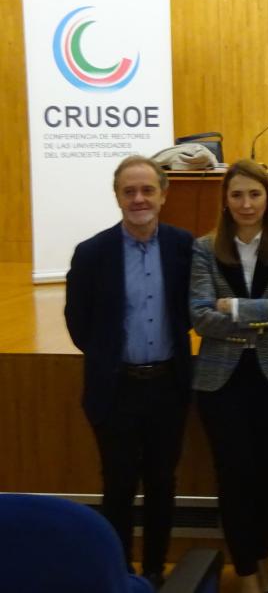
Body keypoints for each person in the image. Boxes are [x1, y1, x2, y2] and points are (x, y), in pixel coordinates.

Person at [64, 155, 194, 588]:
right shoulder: (91, 253)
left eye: (147, 190)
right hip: (115, 389)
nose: (139, 199)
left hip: (168, 386)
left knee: (162, 481)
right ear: (117, 196)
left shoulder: (184, 247)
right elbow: (78, 324)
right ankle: (120, 573)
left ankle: (155, 570)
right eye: (129, 191)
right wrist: (110, 360)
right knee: (118, 486)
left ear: (163, 194)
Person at [189, 159, 268, 593]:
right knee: (234, 476)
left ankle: (260, 559)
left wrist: (233, 307)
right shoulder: (204, 248)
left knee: (266, 476)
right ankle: (244, 572)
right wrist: (264, 311)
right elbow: (201, 317)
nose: (246, 203)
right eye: (237, 194)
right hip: (222, 382)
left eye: (254, 194)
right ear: (225, 200)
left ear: (267, 198)